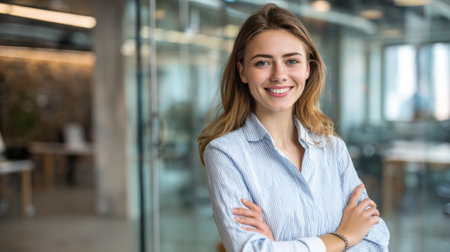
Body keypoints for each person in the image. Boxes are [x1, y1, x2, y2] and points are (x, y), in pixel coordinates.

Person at [198, 3, 389, 252]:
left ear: (308, 68)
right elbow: (253, 250)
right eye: (262, 63)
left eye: (291, 61)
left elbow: (377, 240)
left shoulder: (333, 148)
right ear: (242, 71)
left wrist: (280, 246)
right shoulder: (225, 154)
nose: (279, 74)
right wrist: (344, 237)